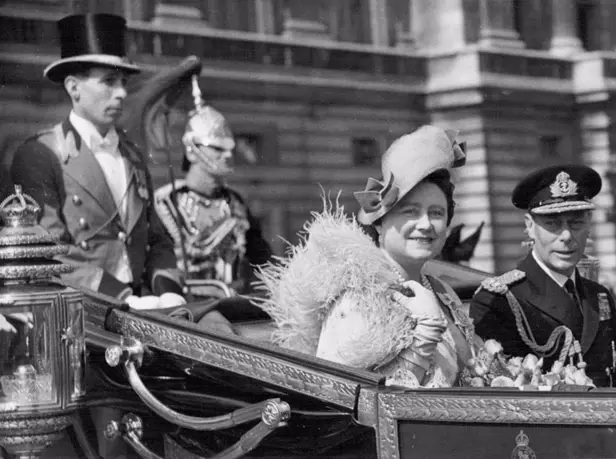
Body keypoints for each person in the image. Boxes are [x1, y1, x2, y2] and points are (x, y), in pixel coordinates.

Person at [256, 125, 483, 388]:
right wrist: (423, 337)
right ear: (380, 223)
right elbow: (337, 394)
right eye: (410, 212)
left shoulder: (443, 291)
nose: (425, 224)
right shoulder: (358, 298)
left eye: (436, 213)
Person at [10, 13, 185, 307]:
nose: (121, 93)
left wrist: (166, 290)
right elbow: (47, 249)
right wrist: (122, 297)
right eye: (108, 82)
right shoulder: (41, 154)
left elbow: (157, 239)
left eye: (123, 82)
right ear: (73, 87)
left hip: (145, 306)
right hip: (80, 310)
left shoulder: (132, 156)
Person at [469, 164, 616, 387]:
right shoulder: (498, 299)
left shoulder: (599, 295)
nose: (566, 235)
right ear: (530, 227)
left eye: (576, 223)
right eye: (552, 224)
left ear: (589, 227)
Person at [154, 75, 272, 295]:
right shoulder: (165, 203)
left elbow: (264, 260)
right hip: (185, 309)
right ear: (192, 149)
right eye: (218, 148)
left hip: (235, 304)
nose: (227, 155)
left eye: (229, 149)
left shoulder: (236, 203)